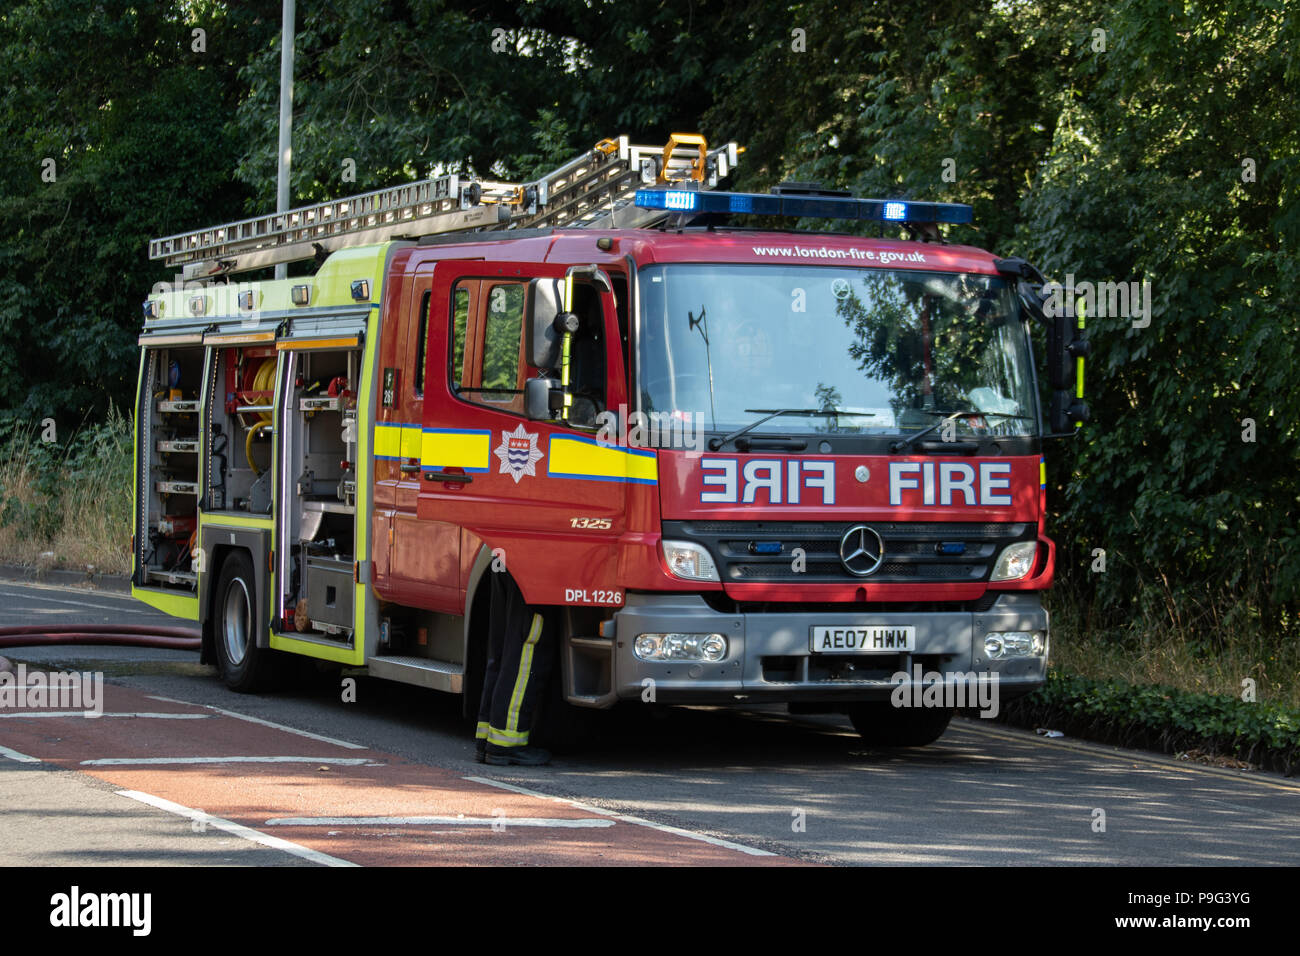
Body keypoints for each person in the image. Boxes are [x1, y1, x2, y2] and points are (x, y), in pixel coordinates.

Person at [474, 569, 556, 766]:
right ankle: (506, 745)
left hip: (506, 555)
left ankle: (487, 740)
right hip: (531, 562)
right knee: (523, 655)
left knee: (503, 653)